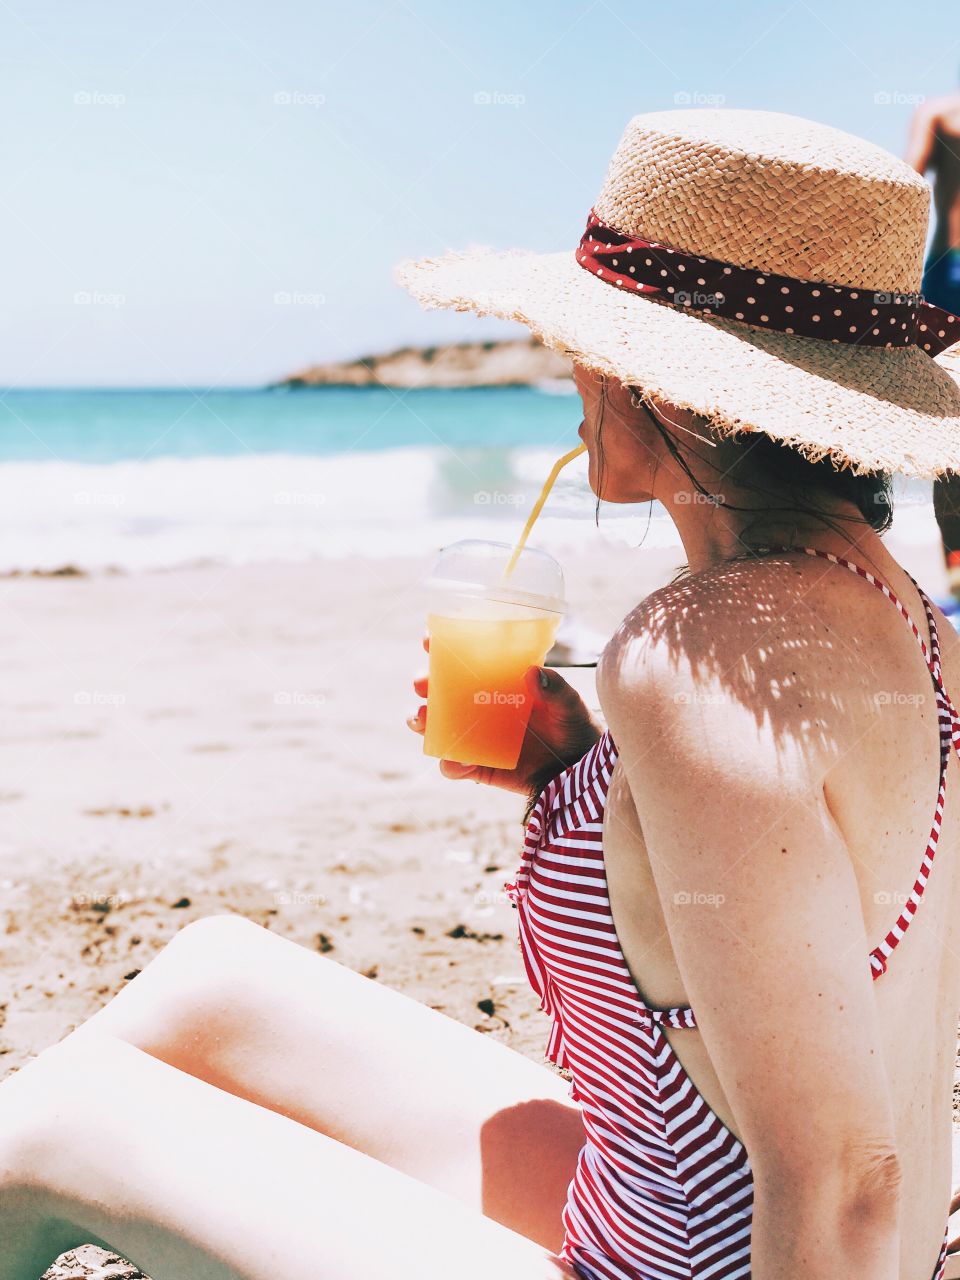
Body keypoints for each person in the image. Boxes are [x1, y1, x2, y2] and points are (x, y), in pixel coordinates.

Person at [2, 108, 960, 1280]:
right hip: (682, 1202)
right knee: (207, 979)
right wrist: (579, 773)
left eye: (585, 341)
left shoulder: (693, 652)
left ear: (660, 382)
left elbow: (843, 1179)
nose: (570, 372)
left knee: (56, 1122)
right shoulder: (905, 616)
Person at [907, 91, 960, 599]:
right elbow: (909, 182)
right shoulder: (939, 112)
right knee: (951, 424)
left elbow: (906, 184)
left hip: (949, 270)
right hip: (950, 270)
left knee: (952, 422)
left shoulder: (941, 113)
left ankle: (959, 580)